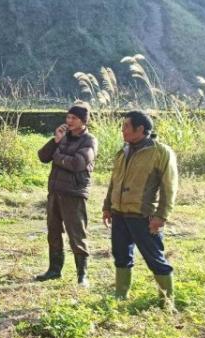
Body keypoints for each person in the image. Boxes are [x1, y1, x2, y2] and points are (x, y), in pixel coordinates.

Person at [102, 110, 178, 310]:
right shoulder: (124, 151)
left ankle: (167, 302)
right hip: (119, 213)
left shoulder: (160, 152)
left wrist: (161, 216)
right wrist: (107, 207)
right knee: (121, 255)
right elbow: (114, 182)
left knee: (155, 258)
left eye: (126, 126)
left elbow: (169, 187)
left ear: (141, 128)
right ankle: (121, 295)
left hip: (143, 215)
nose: (122, 130)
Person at [34, 102, 98, 286]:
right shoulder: (63, 137)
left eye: (74, 118)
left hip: (74, 193)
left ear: (83, 121)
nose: (69, 121)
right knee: (53, 232)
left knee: (77, 234)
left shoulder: (89, 141)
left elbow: (78, 164)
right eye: (68, 117)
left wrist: (58, 156)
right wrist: (56, 141)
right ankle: (54, 270)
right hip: (55, 192)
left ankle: (82, 275)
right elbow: (42, 156)